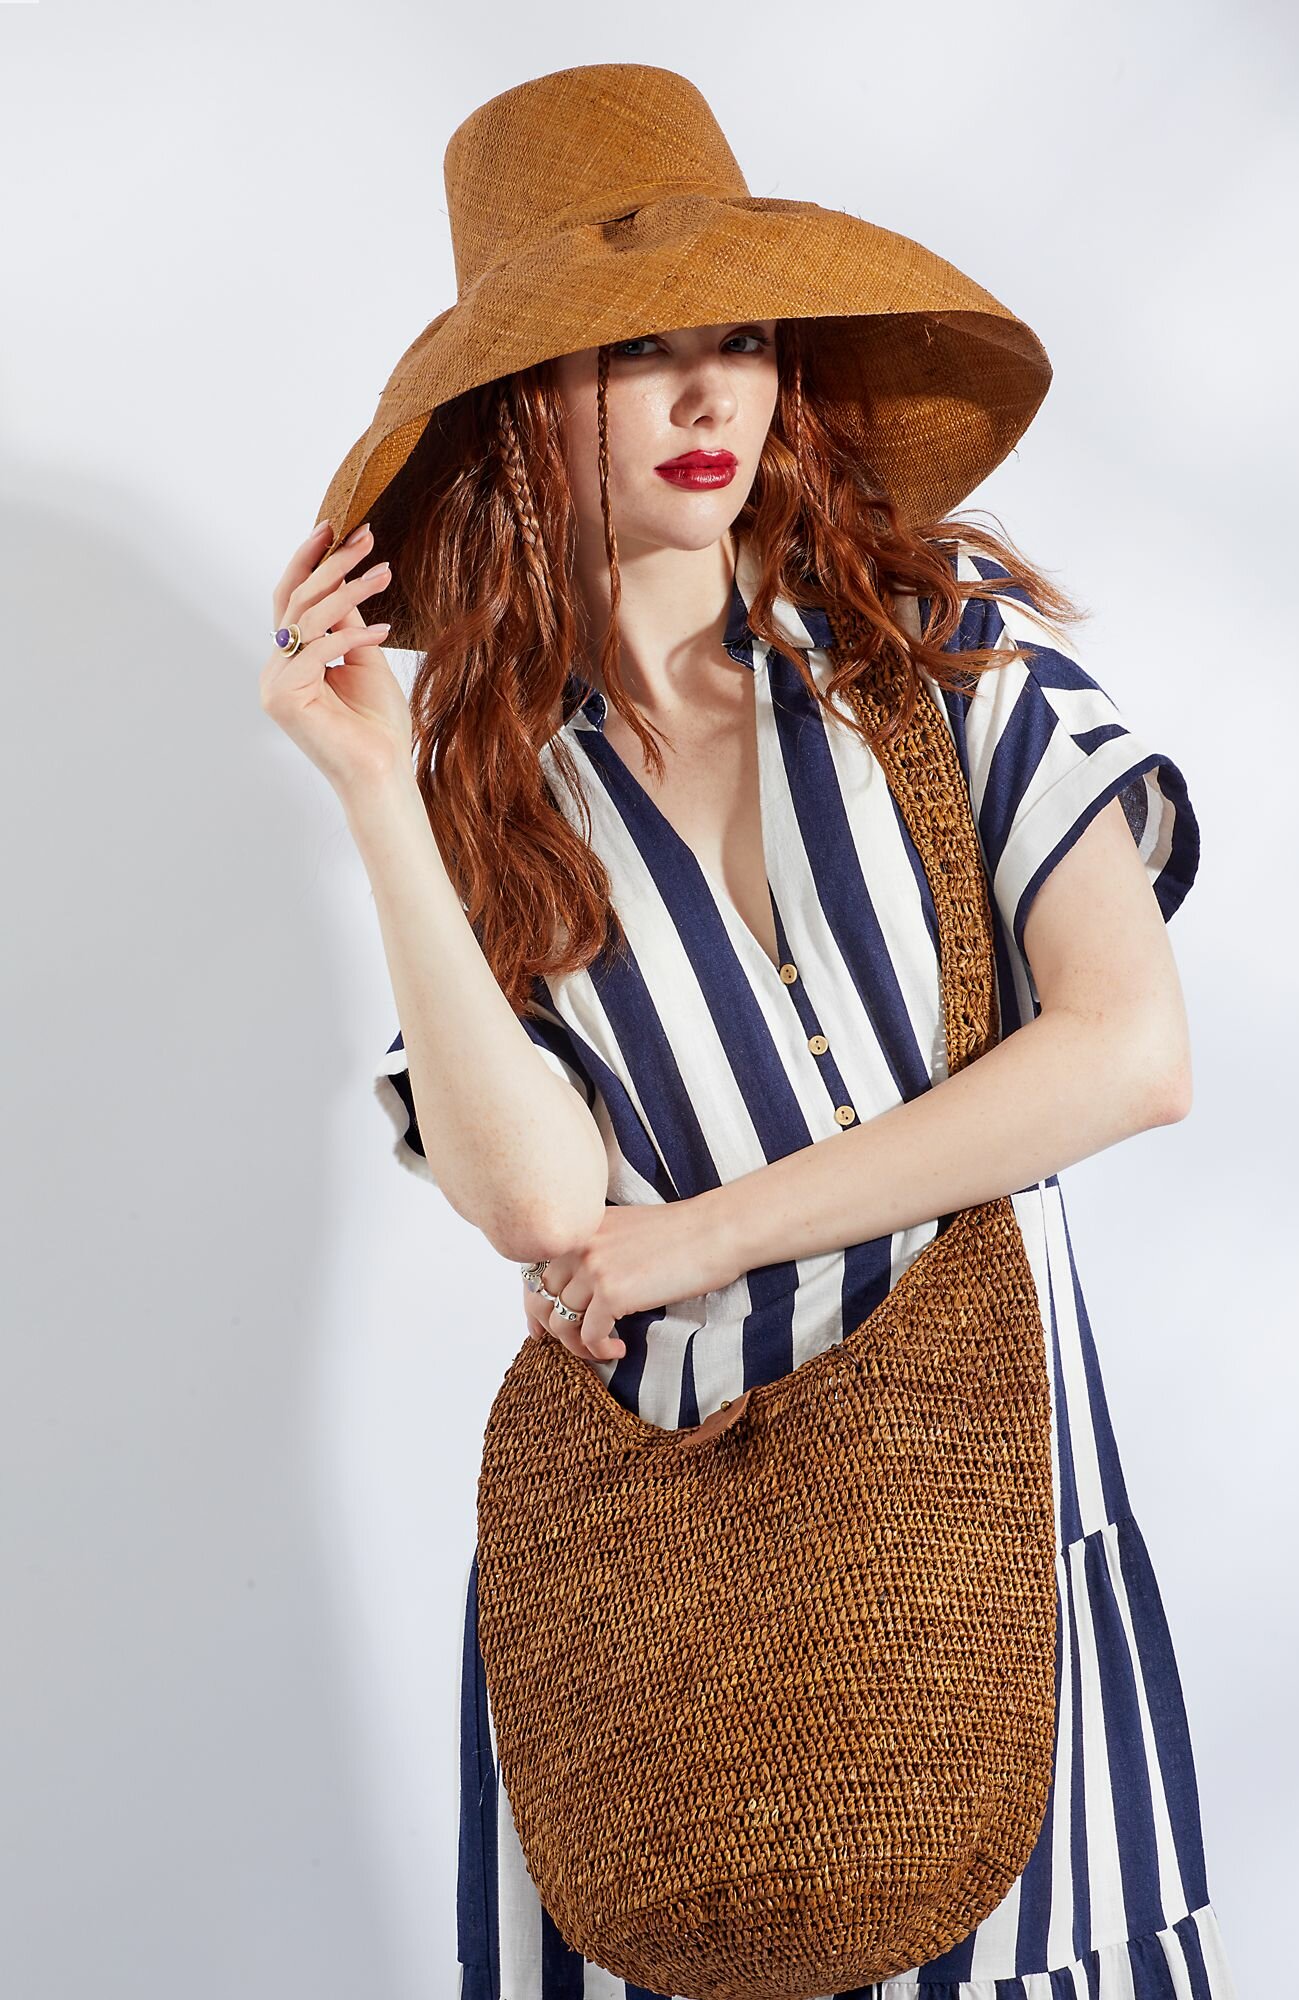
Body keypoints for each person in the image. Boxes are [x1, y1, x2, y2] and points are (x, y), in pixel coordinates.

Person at [260, 64, 1237, 2000]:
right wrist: (375, 788)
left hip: (976, 1533)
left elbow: (1130, 1054)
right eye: (637, 352)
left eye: (739, 342)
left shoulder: (936, 657)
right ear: (524, 405)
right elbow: (540, 1204)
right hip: (668, 1599)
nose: (709, 398)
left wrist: (698, 1234)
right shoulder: (490, 791)